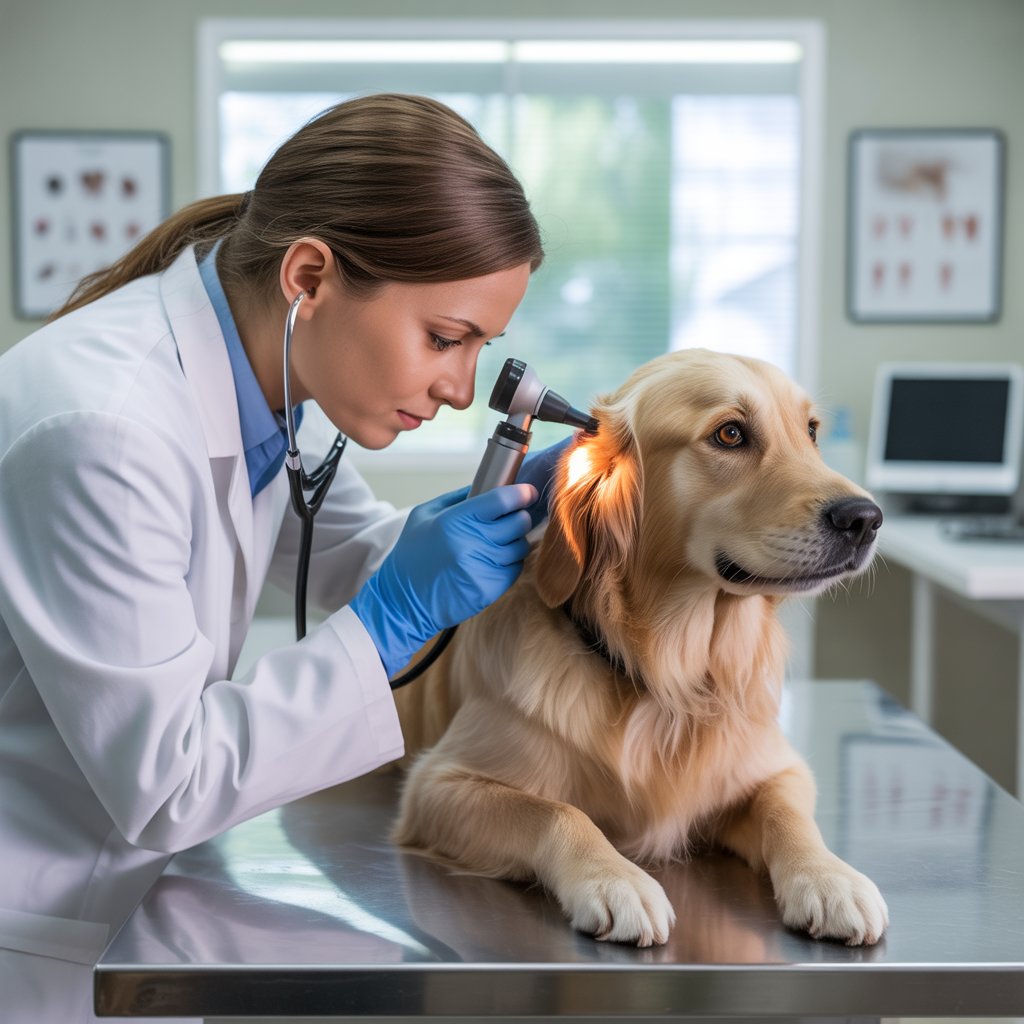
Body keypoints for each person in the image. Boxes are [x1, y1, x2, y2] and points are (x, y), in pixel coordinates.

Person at [0, 93, 565, 1022]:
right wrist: (395, 617)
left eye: (480, 348)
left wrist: (528, 512)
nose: (462, 389)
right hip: (42, 919)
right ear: (311, 276)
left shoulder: (268, 388)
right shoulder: (103, 429)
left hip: (124, 883)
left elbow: (366, 556)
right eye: (444, 338)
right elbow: (170, 779)